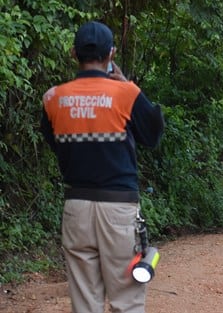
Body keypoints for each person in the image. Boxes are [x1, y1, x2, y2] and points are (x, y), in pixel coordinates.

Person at [41, 21, 165, 313]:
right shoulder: (126, 94)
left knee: (85, 303)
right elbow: (153, 135)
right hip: (118, 211)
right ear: (111, 54)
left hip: (77, 208)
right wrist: (126, 85)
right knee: (127, 300)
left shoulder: (53, 98)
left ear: (74, 54)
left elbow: (56, 144)